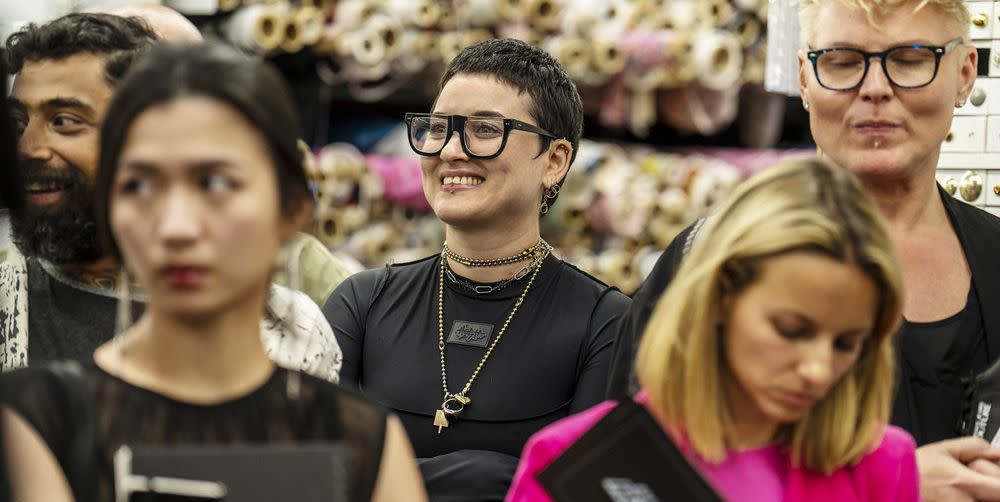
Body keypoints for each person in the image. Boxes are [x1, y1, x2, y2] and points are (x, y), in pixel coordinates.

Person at [0, 42, 427, 502]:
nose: (176, 226)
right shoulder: (40, 419)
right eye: (139, 185)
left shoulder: (361, 438)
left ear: (290, 210)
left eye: (216, 183)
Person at [607, 0, 1000, 500]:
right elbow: (623, 478)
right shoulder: (711, 262)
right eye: (842, 60)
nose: (876, 88)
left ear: (965, 73)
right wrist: (886, 487)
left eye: (910, 58)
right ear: (805, 80)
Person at [324, 38, 631, 499]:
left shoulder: (606, 323)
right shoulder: (361, 304)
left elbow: (583, 491)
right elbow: (317, 475)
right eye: (438, 128)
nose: (450, 151)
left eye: (485, 130)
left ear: (554, 161)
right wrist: (487, 478)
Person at [510, 157, 915, 502]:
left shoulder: (884, 465)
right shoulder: (576, 459)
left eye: (847, 344)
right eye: (791, 330)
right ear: (722, 297)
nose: (818, 370)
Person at [0, 13, 342, 381]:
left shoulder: (291, 331)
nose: (27, 148)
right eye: (18, 124)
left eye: (65, 121)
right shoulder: (9, 305)